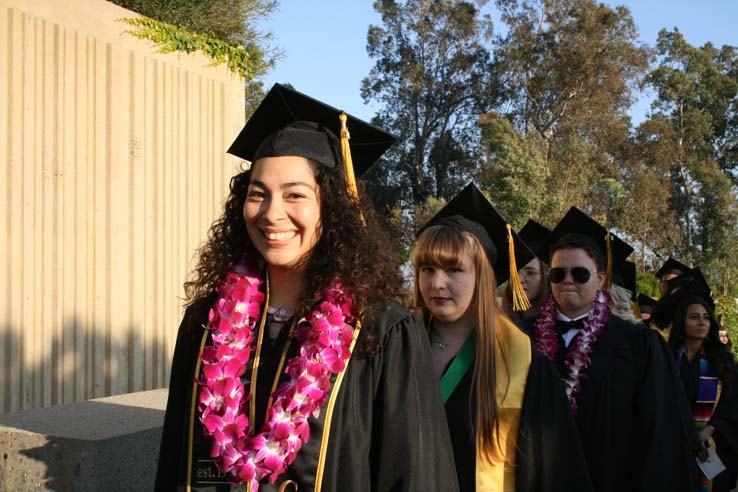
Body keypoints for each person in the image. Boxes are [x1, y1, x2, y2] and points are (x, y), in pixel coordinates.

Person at [154, 84, 459, 491]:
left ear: (330, 206)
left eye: (294, 194)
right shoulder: (206, 324)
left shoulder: (381, 331)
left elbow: (417, 477)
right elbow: (175, 461)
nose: (271, 213)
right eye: (257, 194)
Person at [412, 183, 592, 492]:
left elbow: (554, 475)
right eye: (427, 268)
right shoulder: (398, 350)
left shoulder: (524, 365)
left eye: (454, 269)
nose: (436, 283)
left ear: (483, 277)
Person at [522, 206, 700, 492]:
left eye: (579, 273)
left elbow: (658, 434)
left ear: (601, 278)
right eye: (558, 274)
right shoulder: (522, 338)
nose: (567, 280)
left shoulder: (637, 344)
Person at [668, 295, 738, 492]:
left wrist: (708, 430)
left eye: (706, 318)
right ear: (682, 322)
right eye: (694, 317)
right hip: (673, 441)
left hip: (712, 442)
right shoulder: (666, 357)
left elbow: (732, 402)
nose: (702, 322)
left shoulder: (723, 362)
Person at [502, 219, 551, 325]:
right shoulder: (500, 321)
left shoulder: (558, 327)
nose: (519, 280)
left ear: (546, 276)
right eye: (515, 272)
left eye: (530, 273)